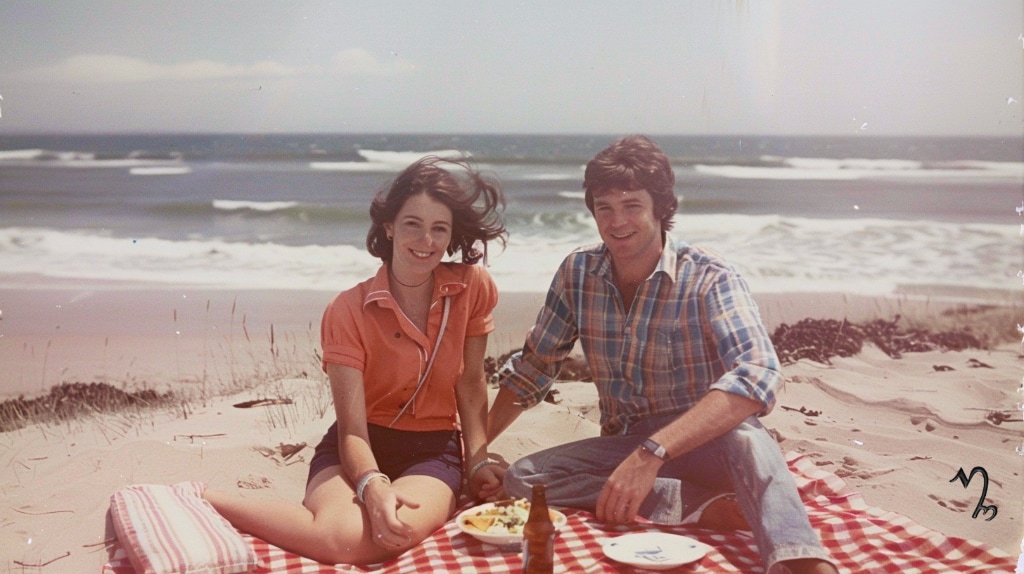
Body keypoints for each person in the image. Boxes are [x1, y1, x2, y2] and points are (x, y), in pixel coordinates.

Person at [486, 136, 838, 574]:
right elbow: (532, 371)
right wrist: (476, 451)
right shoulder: (578, 273)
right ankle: (700, 508)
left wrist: (653, 453)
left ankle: (799, 560)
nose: (617, 222)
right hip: (626, 445)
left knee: (747, 436)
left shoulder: (708, 274)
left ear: (660, 207)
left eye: (632, 205)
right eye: (604, 208)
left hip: (708, 445)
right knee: (524, 478)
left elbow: (758, 373)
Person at [205, 155, 508, 565]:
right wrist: (371, 484)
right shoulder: (347, 309)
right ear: (389, 227)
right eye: (412, 225)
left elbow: (471, 386)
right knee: (341, 541)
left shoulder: (473, 288)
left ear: (452, 234)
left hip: (433, 451)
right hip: (359, 445)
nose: (427, 241)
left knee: (395, 533)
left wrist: (477, 462)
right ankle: (207, 499)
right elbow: (351, 429)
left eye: (440, 228)